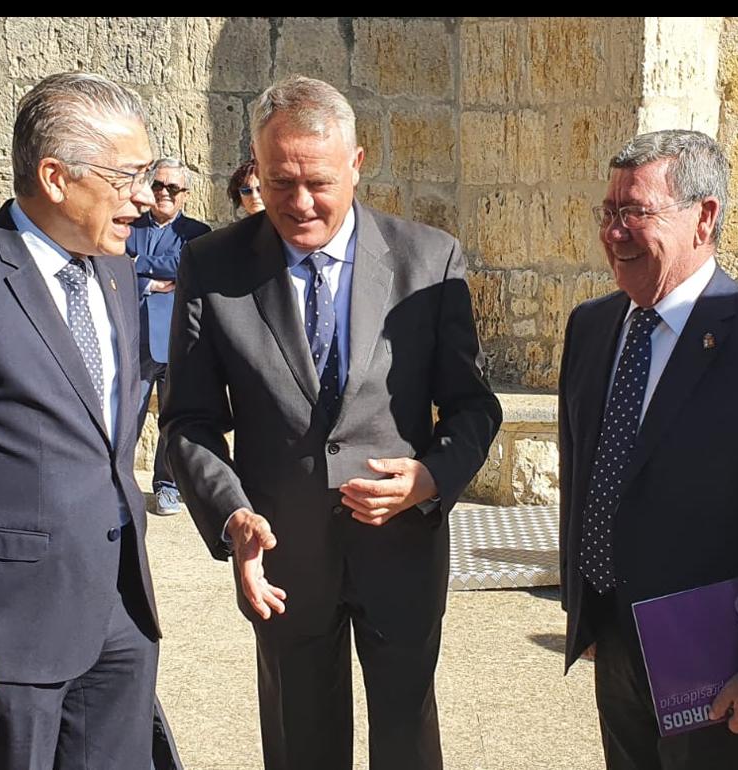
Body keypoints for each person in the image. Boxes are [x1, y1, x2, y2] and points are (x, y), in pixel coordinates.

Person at [160, 75, 501, 770]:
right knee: (300, 746)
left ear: (357, 162)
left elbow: (472, 408)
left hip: (401, 552)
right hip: (283, 558)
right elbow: (189, 422)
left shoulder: (428, 261)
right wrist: (232, 517)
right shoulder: (212, 265)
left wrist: (429, 478)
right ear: (255, 167)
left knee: (407, 744)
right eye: (280, 182)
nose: (301, 203)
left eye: (318, 180)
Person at [558, 129, 738, 770]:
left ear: (704, 217)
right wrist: (586, 610)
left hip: (717, 657)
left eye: (636, 212)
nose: (614, 232)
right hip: (613, 632)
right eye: (608, 212)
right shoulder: (593, 326)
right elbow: (586, 471)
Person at [0, 72, 162, 769]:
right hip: (12, 628)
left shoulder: (115, 272)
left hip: (119, 611)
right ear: (55, 177)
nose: (145, 196)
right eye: (127, 175)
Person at [126, 157, 210, 516]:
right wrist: (148, 282)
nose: (163, 193)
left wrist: (138, 265)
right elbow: (113, 261)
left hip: (178, 341)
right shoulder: (128, 223)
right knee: (127, 416)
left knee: (173, 419)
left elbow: (183, 263)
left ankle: (167, 486)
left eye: (172, 188)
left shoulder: (197, 234)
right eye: (158, 185)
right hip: (133, 339)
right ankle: (119, 486)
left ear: (185, 195)